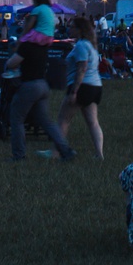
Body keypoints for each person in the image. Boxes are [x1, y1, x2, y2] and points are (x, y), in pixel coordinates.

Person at [5, 35, 76, 162]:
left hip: (29, 86)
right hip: (43, 85)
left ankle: (19, 155)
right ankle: (66, 150)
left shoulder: (27, 46)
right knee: (46, 122)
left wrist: (10, 59)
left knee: (17, 119)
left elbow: (12, 63)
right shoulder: (42, 46)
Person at [58, 16, 104, 158]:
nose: (69, 29)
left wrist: (74, 91)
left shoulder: (81, 46)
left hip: (83, 86)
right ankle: (99, 154)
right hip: (95, 87)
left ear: (79, 30)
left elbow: (82, 68)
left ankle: (57, 152)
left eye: (72, 27)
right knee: (93, 123)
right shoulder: (91, 45)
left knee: (63, 120)